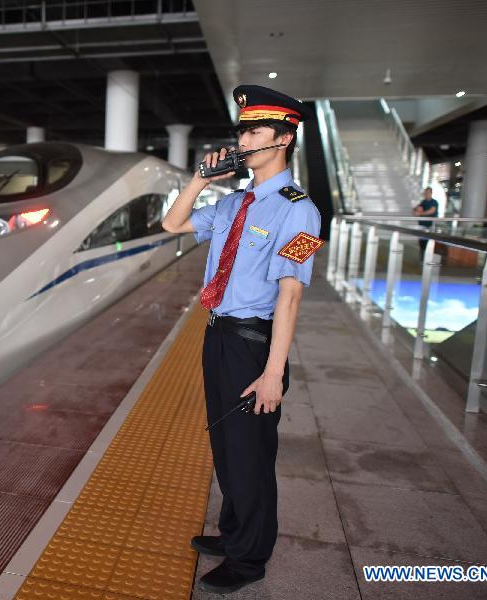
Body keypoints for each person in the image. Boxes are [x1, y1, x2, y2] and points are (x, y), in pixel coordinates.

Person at [162, 84, 322, 595]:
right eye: (243, 131)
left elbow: (290, 296)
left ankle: (250, 558)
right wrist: (199, 179)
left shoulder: (300, 210)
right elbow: (172, 223)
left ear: (283, 139)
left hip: (255, 345)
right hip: (218, 337)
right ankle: (234, 535)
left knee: (251, 455)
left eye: (253, 131)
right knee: (227, 449)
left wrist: (273, 372)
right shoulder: (234, 203)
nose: (244, 139)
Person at [412, 187, 438, 254]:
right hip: (422, 226)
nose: (426, 194)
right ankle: (422, 259)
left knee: (428, 244)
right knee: (422, 244)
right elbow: (415, 209)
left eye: (427, 192)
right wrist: (416, 210)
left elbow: (431, 211)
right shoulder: (423, 202)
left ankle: (427, 259)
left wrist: (420, 213)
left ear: (431, 193)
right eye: (425, 193)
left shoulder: (434, 202)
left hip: (430, 226)